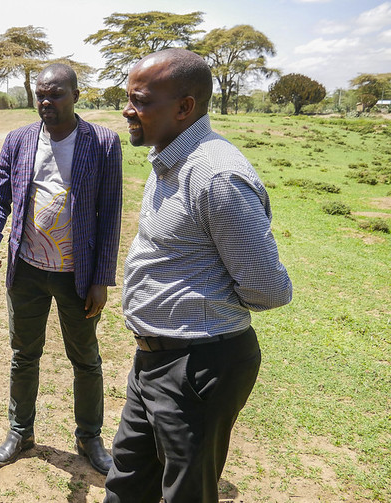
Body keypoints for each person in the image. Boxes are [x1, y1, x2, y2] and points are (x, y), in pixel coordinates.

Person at [105, 48, 293, 502]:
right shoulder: (168, 158)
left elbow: (269, 288)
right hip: (153, 359)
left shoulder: (216, 176)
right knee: (126, 484)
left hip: (199, 368)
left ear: (185, 107)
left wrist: (201, 301)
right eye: (128, 98)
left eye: (141, 100)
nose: (128, 110)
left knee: (185, 495)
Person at [0, 63, 123, 475]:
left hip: (76, 276)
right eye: (41, 94)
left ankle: (90, 437)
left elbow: (110, 213)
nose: (47, 102)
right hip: (25, 270)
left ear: (77, 95)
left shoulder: (102, 142)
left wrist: (101, 278)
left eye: (56, 93)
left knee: (86, 359)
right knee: (24, 355)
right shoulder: (19, 140)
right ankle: (21, 432)